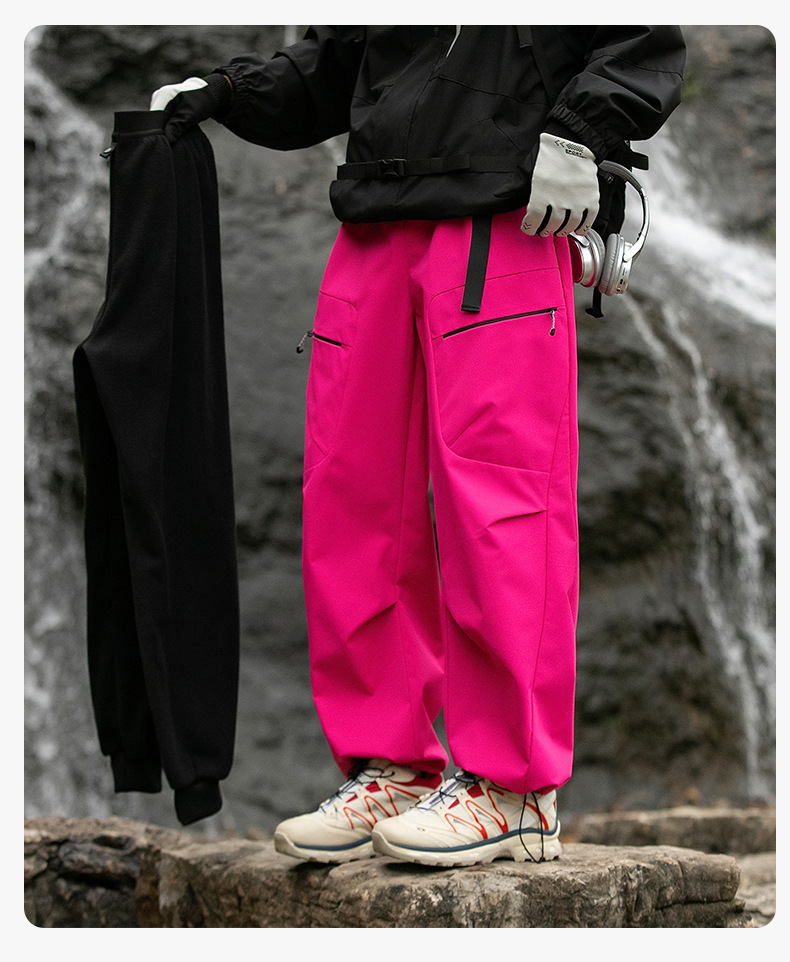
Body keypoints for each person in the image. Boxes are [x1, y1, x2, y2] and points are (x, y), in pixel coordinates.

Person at [151, 26, 685, 867]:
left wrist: (581, 134)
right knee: (351, 498)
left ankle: (513, 789)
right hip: (373, 219)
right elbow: (338, 64)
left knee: (502, 506)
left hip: (502, 217)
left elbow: (641, 36)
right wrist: (227, 92)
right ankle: (392, 767)